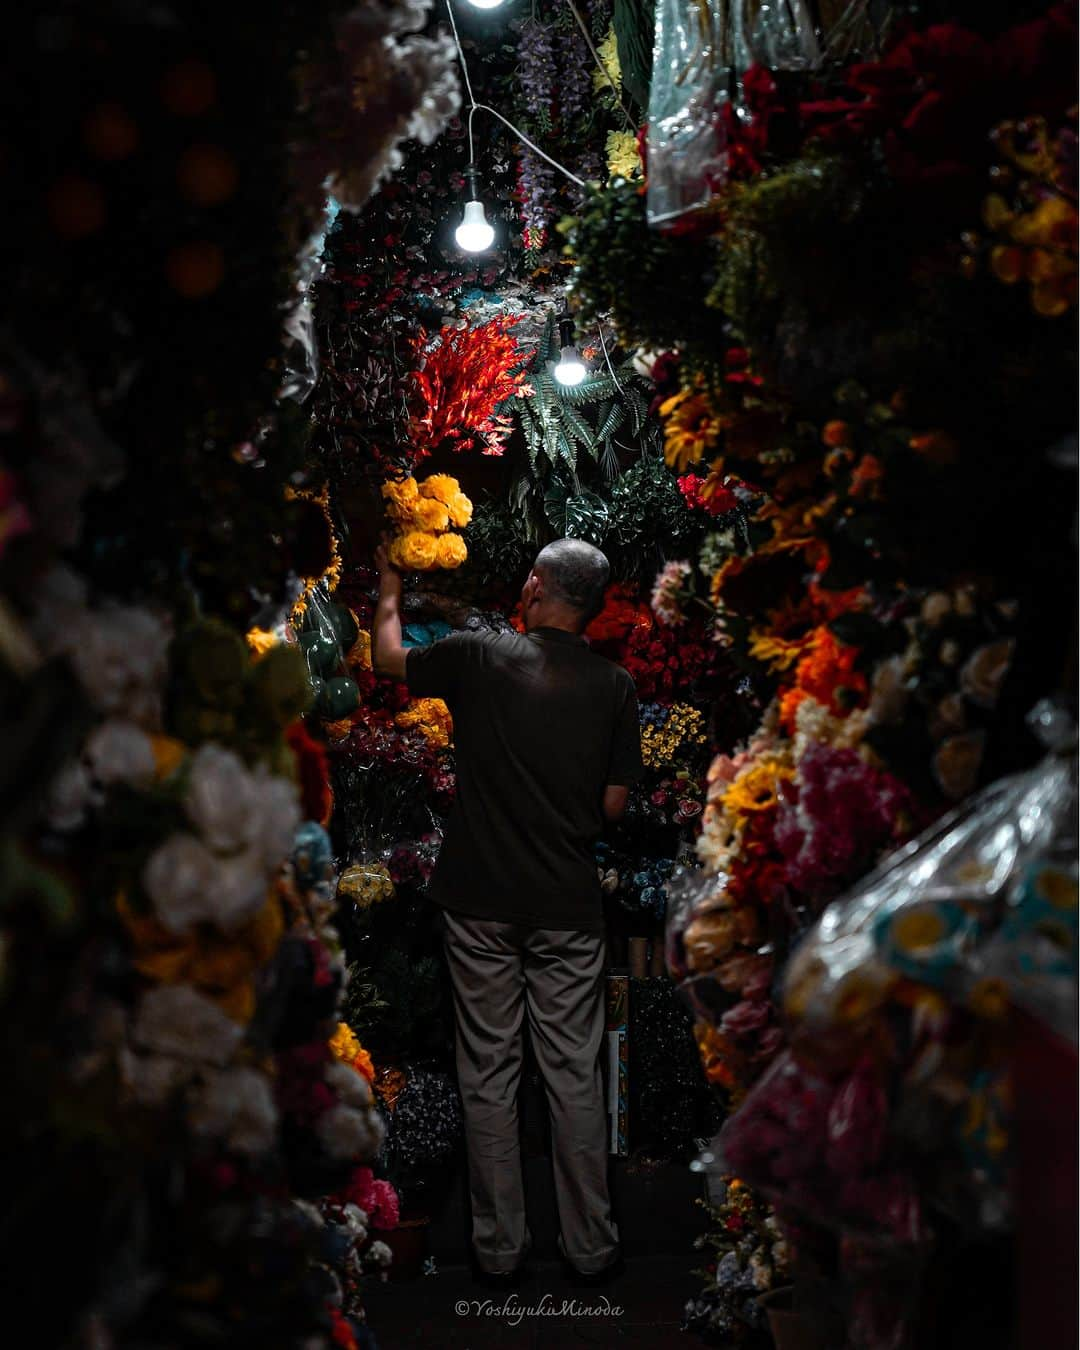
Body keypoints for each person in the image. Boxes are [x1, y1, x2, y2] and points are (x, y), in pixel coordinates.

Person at [371, 535, 643, 1289]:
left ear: (533, 587)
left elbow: (387, 659)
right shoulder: (615, 685)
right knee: (574, 1079)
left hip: (480, 899)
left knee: (488, 1074)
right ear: (590, 604)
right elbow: (614, 806)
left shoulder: (479, 657)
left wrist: (391, 582)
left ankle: (498, 1251)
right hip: (566, 905)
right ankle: (592, 1248)